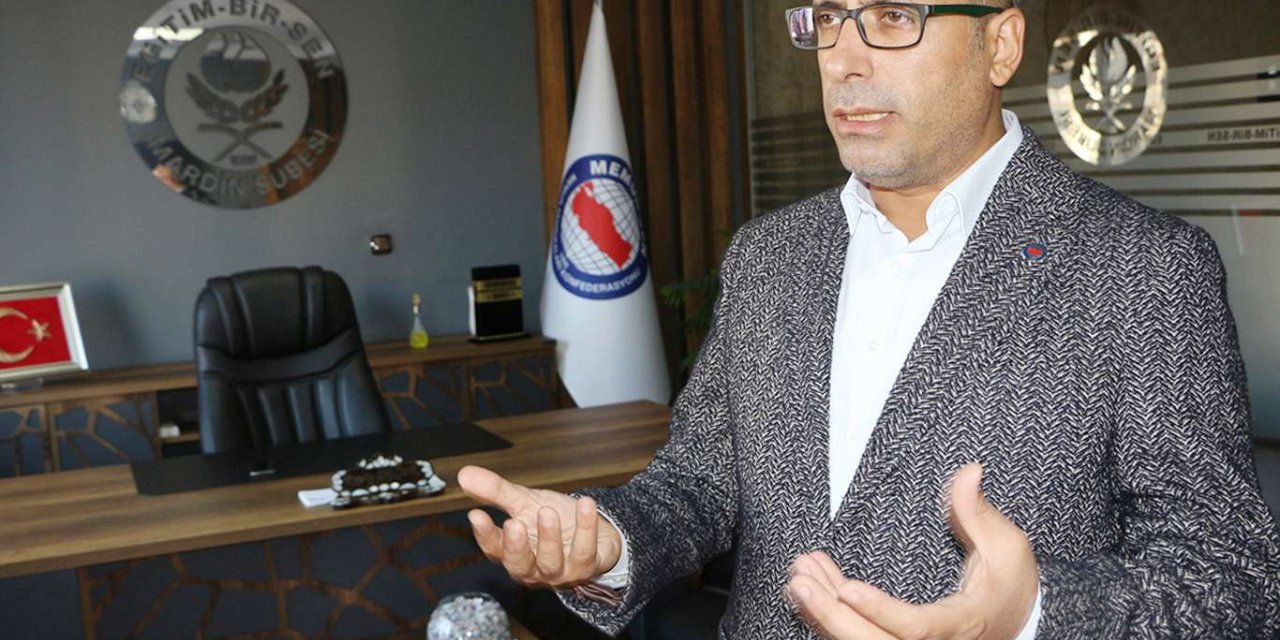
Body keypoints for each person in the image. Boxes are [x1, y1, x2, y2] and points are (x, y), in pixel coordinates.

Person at [459, 1, 1280, 637]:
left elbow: (1229, 577)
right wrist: (607, 541)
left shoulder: (1143, 266)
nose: (844, 60)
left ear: (1000, 44)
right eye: (827, 19)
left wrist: (1035, 614)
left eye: (892, 17)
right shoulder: (768, 255)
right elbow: (698, 483)